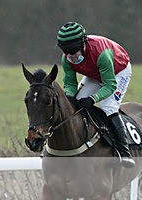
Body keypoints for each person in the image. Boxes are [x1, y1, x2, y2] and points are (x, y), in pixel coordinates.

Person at [56, 22, 135, 168]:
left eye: (74, 52)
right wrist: (70, 97)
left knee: (108, 106)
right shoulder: (66, 58)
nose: (71, 57)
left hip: (118, 71)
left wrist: (93, 99)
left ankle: (124, 152)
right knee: (75, 103)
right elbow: (70, 84)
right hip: (94, 73)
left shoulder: (101, 54)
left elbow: (110, 85)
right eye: (67, 53)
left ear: (83, 44)